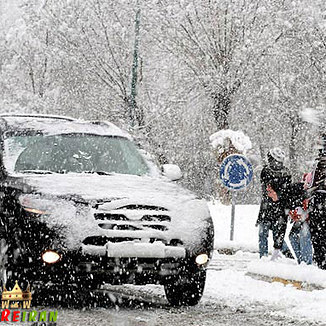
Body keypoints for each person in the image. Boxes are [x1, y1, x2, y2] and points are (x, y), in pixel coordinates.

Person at [256, 147, 292, 260]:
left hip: (277, 208)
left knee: (276, 234)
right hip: (268, 207)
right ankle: (263, 257)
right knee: (264, 233)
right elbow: (267, 188)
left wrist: (278, 195)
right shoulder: (266, 171)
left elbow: (286, 191)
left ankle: (288, 255)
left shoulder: (286, 172)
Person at [306, 134, 326, 269]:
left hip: (320, 200)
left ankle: (320, 261)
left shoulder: (319, 163)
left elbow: (311, 183)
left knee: (318, 233)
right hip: (320, 201)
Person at [286, 179, 313, 265]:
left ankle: (307, 263)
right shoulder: (289, 195)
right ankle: (301, 260)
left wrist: (303, 212)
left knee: (304, 235)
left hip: (308, 219)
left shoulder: (300, 191)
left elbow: (309, 206)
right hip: (300, 219)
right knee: (292, 236)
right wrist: (293, 215)